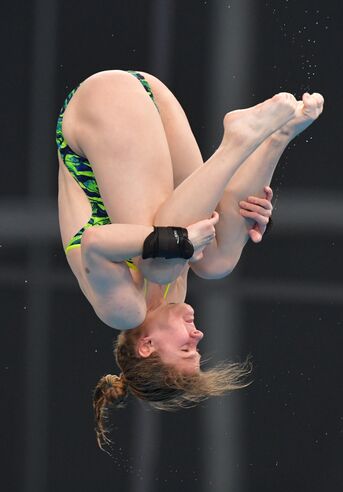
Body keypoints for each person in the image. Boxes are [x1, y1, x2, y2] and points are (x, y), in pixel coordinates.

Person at [56, 69, 324, 448]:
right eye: (196, 346)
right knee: (215, 264)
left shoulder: (122, 310)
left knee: (161, 260)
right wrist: (251, 213)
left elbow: (96, 243)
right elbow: (208, 212)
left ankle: (239, 142)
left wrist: (178, 240)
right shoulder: (173, 294)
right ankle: (274, 139)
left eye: (185, 348)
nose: (197, 335)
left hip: (103, 105)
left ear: (146, 346)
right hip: (153, 98)